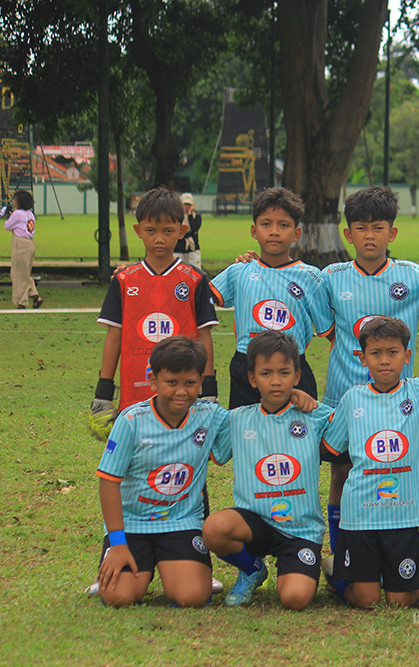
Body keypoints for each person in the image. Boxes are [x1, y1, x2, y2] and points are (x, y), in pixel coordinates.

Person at [317, 186, 419, 575]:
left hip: (399, 403)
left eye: (378, 227)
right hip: (344, 395)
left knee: (395, 468)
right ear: (348, 234)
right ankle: (342, 551)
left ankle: (397, 549)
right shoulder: (331, 277)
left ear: (392, 233)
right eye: (361, 228)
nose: (369, 235)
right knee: (342, 472)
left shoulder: (414, 277)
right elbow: (330, 331)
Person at [323, 317, 419, 608]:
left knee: (400, 601)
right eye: (375, 353)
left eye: (393, 352)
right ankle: (333, 569)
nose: (384, 360)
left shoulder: (418, 392)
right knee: (366, 601)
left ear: (407, 356)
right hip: (360, 516)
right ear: (363, 358)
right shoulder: (352, 399)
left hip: (401, 515)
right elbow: (329, 447)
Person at [202, 331, 333, 609]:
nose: (275, 381)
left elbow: (345, 425)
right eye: (266, 373)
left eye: (284, 373)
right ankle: (252, 569)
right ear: (252, 378)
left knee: (295, 599)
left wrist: (312, 402)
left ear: (297, 376)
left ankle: (302, 567)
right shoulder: (237, 419)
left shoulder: (314, 414)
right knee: (215, 528)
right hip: (255, 523)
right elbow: (215, 453)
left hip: (300, 529)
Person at [94, 336, 226, 607]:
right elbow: (108, 481)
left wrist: (295, 396)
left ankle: (176, 569)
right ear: (153, 381)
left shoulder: (210, 415)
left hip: (180, 522)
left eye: (190, 383)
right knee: (120, 597)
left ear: (201, 382)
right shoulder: (131, 420)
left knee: (192, 597)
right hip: (132, 524)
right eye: (171, 382)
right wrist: (117, 542)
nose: (181, 391)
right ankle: (126, 564)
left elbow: (255, 418)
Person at [90, 186, 218, 440]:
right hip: (134, 393)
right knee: (135, 467)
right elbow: (113, 337)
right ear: (138, 231)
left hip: (183, 393)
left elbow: (205, 337)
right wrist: (103, 392)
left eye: (168, 231)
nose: (159, 239)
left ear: (182, 232)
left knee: (183, 462)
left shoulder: (195, 280)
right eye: (151, 231)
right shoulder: (124, 281)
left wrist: (209, 388)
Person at [209, 187, 334, 409]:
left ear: (296, 233)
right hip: (245, 364)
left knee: (299, 435)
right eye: (266, 224)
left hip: (292, 367)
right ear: (254, 231)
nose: (274, 231)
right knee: (246, 433)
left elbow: (330, 333)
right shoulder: (240, 271)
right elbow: (201, 299)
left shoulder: (311, 277)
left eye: (283, 225)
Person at [3, 189, 42, 309]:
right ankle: (35, 296)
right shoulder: (30, 214)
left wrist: (6, 215)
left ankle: (21, 302)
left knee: (17, 275)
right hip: (30, 244)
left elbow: (7, 226)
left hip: (20, 244)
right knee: (24, 273)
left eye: (15, 200)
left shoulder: (18, 214)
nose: (14, 202)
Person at [173, 193, 202, 270]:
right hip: (178, 248)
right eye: (185, 204)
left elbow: (194, 228)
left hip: (193, 248)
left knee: (195, 270)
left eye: (188, 204)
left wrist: (189, 214)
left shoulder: (196, 217)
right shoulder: (175, 217)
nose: (187, 207)